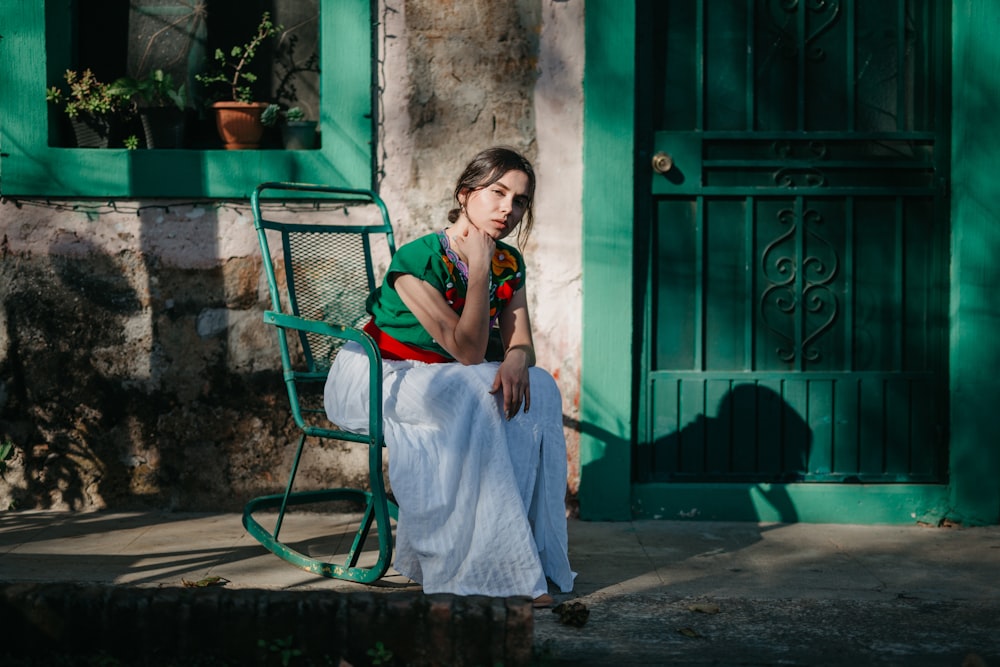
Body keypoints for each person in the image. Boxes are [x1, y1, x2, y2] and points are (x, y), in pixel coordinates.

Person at [324, 146, 575, 606]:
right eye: (497, 193)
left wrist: (519, 356)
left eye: (519, 201)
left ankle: (520, 551)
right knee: (479, 388)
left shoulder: (509, 264)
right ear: (465, 194)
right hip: (379, 373)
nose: (508, 209)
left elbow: (520, 340)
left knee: (540, 387)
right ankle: (496, 566)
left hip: (446, 375)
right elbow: (469, 350)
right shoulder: (417, 261)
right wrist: (478, 271)